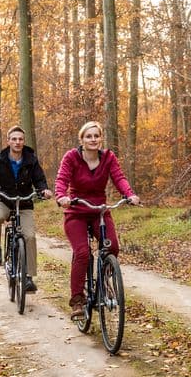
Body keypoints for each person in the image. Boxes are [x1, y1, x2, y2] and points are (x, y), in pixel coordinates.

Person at [55, 120, 141, 317]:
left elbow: (119, 178)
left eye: (96, 136)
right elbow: (62, 179)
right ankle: (77, 299)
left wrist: (129, 194)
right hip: (76, 211)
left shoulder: (108, 157)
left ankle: (103, 282)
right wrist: (62, 196)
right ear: (82, 139)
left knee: (112, 247)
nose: (93, 139)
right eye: (88, 136)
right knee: (83, 253)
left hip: (99, 211)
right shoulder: (71, 157)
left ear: (100, 138)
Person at [0, 126, 52, 292]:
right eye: (14, 139)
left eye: (20, 139)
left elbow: (39, 180)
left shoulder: (31, 160)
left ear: (23, 141)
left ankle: (28, 277)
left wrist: (44, 190)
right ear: (8, 141)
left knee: (30, 236)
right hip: (3, 200)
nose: (17, 142)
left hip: (24, 203)